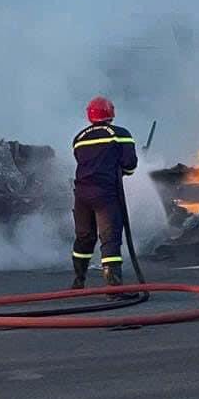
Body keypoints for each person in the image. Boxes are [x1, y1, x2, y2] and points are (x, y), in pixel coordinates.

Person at [70, 95, 138, 290]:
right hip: (105, 194)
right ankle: (114, 289)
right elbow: (130, 165)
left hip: (81, 194)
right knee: (109, 239)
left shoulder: (79, 138)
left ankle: (78, 282)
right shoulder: (120, 134)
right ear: (111, 113)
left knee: (84, 237)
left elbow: (81, 161)